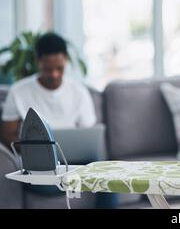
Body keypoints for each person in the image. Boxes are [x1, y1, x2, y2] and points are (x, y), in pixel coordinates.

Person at [0, 32, 117, 208]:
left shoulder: (79, 92)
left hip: (77, 163)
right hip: (41, 168)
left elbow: (88, 136)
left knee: (110, 178)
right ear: (38, 62)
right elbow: (7, 135)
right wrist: (32, 149)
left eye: (60, 68)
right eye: (48, 69)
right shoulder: (19, 92)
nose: (54, 74)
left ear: (66, 62)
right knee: (50, 182)